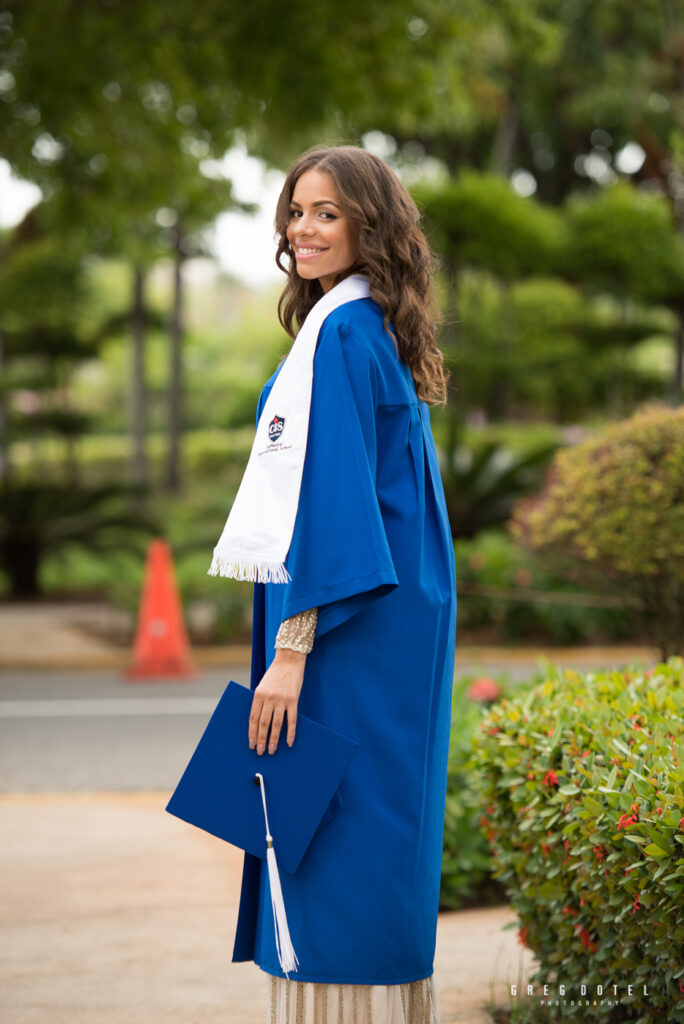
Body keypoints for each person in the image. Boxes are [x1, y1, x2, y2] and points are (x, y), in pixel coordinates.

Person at [209, 145, 457, 1024]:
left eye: (327, 214)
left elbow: (339, 505)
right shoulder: (354, 324)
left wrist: (291, 649)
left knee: (334, 818)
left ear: (368, 227)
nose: (303, 230)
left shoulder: (346, 333)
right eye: (296, 211)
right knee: (354, 816)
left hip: (350, 625)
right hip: (379, 611)